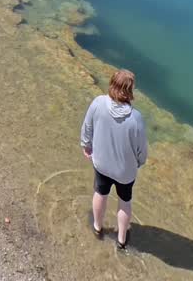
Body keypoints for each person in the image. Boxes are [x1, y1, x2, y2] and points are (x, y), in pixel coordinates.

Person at [80, 69, 148, 250]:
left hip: (101, 164)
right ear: (130, 90)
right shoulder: (136, 118)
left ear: (112, 84)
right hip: (125, 171)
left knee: (100, 193)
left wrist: (86, 145)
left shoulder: (98, 103)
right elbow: (142, 149)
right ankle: (121, 239)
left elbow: (87, 126)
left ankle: (97, 227)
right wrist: (139, 162)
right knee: (124, 202)